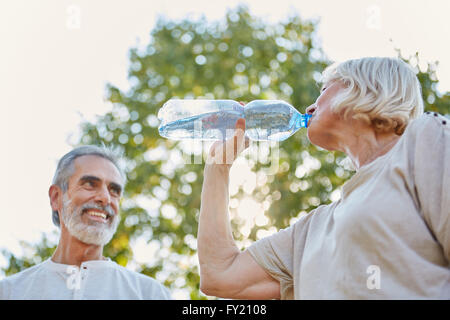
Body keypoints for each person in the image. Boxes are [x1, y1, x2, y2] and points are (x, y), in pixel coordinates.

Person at [198, 57, 450, 299]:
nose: (309, 107)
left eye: (325, 89)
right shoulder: (310, 230)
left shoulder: (426, 139)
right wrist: (217, 166)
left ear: (365, 89)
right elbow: (220, 275)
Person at [0, 145, 172, 300]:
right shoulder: (10, 292)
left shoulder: (151, 294)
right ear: (56, 197)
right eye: (90, 184)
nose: (105, 198)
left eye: (114, 190)